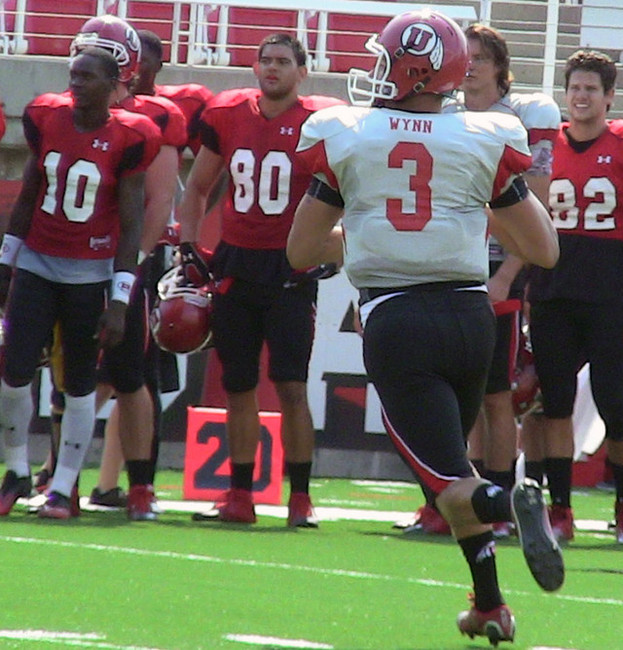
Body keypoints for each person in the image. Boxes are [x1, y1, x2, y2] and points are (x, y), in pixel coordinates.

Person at [287, 9, 563, 644]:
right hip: (472, 319)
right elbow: (544, 250)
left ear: (408, 68)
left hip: (399, 322)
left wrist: (362, 232)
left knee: (450, 485)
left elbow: (301, 252)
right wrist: (460, 209)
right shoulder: (482, 136)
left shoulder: (349, 134)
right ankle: (489, 604)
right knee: (449, 471)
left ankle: (511, 504)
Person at [398, 23, 561, 538]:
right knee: (452, 398)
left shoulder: (522, 119)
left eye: (480, 58)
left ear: (500, 65)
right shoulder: (443, 118)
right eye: (462, 56)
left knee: (494, 395)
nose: (469, 66)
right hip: (444, 263)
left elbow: (531, 206)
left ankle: (500, 503)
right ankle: (454, 497)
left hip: (493, 267)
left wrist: (509, 274)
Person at [176, 33, 343, 527]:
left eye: (283, 61)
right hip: (236, 265)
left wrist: (330, 246)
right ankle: (240, 494)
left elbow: (346, 195)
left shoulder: (319, 122)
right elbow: (200, 186)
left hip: (290, 267)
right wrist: (189, 244)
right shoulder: (228, 114)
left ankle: (300, 497)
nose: (272, 68)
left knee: (291, 386)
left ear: (302, 71)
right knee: (238, 385)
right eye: (265, 60)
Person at [33, 15, 187, 519]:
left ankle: (139, 485)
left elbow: (159, 204)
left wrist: (130, 270)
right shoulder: (60, 112)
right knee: (68, 374)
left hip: (121, 261)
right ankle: (62, 480)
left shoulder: (154, 118)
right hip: (66, 260)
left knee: (128, 373)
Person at [0, 47, 161, 519]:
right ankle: (15, 470)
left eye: (87, 77)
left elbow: (131, 225)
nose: (76, 83)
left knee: (80, 383)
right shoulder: (47, 116)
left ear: (112, 84)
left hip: (90, 273)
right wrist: (7, 260)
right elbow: (29, 191)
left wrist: (120, 298)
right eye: (73, 74)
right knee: (13, 371)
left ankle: (63, 486)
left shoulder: (132, 135)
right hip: (37, 262)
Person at [85, 27, 215, 507]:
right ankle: (61, 476)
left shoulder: (166, 113)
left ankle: (116, 482)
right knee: (90, 372)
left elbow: (201, 175)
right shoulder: (70, 109)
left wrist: (178, 238)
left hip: (142, 255)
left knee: (132, 373)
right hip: (83, 252)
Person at [522, 49, 623, 544]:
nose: (581, 97)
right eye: (575, 88)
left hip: (610, 290)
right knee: (556, 402)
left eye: (591, 89)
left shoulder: (620, 143)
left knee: (616, 405)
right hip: (554, 288)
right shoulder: (544, 147)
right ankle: (560, 510)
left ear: (609, 96)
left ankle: (622, 507)